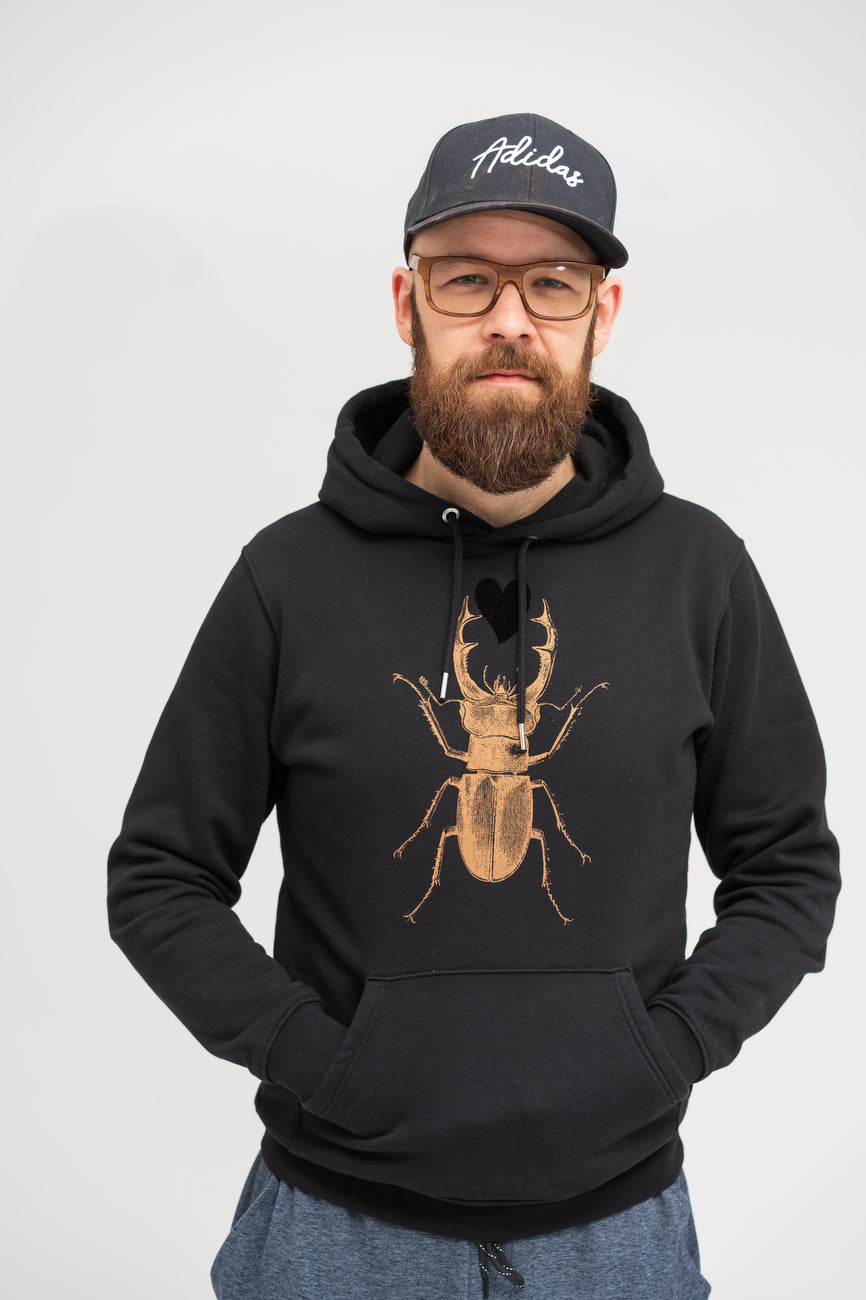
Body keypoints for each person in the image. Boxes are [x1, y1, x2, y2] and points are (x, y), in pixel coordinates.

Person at [107, 113, 840, 1299]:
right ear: (408, 304)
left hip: (618, 1230)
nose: (509, 319)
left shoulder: (697, 573)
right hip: (332, 1226)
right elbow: (159, 875)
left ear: (600, 313)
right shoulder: (285, 579)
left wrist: (663, 1051)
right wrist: (316, 1062)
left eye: (550, 282)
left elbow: (788, 867)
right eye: (466, 279)